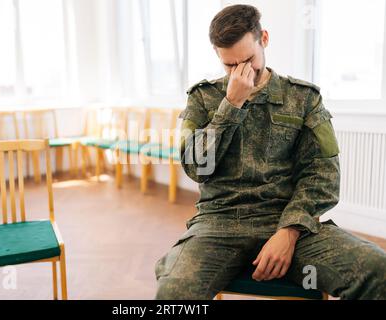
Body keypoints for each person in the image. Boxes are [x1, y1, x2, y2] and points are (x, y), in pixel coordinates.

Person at [154, 4, 386, 300]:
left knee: (377, 270)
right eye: (229, 65)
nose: (241, 71)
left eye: (248, 60)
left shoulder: (303, 98)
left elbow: (323, 174)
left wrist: (288, 231)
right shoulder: (203, 98)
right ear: (217, 55)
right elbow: (196, 167)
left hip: (288, 222)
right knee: (173, 292)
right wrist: (230, 106)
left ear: (263, 38)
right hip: (218, 224)